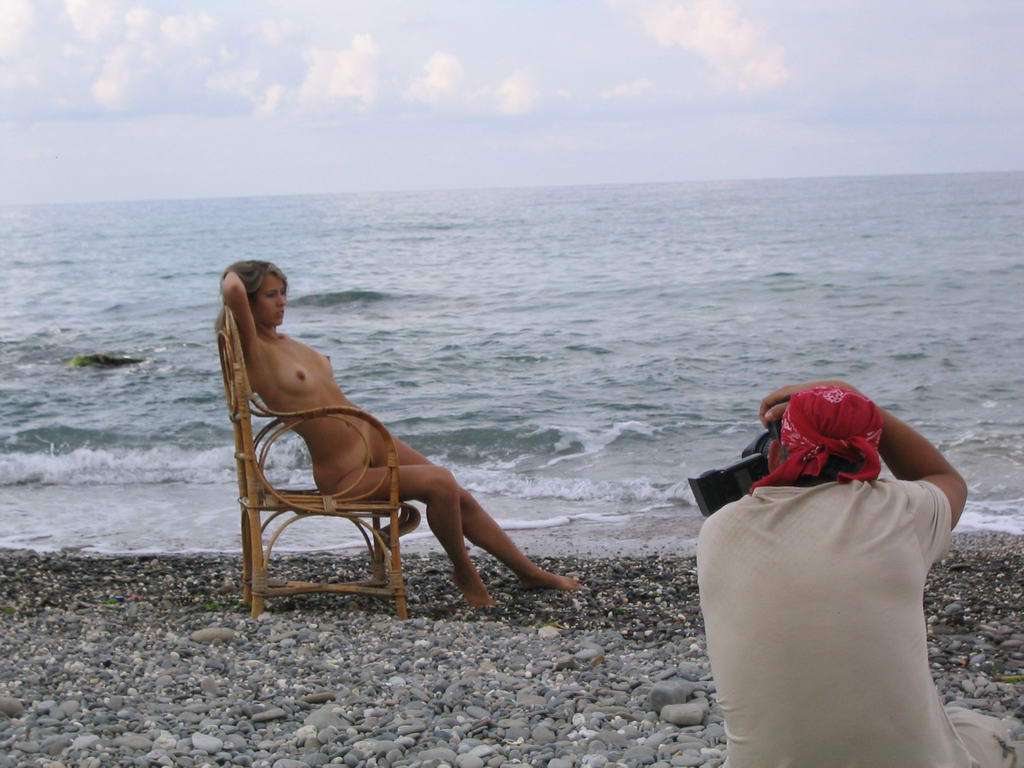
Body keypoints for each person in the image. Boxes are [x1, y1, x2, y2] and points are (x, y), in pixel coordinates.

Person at [697, 379, 1021, 768]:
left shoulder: (719, 530)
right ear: (869, 453)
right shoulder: (899, 511)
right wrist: (857, 402)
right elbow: (945, 479)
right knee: (979, 727)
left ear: (777, 451)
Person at [218, 261, 579, 607]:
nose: (282, 301)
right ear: (249, 302)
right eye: (270, 295)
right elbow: (233, 287)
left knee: (456, 494)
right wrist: (240, 273)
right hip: (343, 473)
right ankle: (464, 572)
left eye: (283, 292)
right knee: (440, 482)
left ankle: (530, 573)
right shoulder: (255, 352)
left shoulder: (286, 341)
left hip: (374, 441)